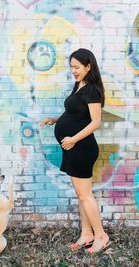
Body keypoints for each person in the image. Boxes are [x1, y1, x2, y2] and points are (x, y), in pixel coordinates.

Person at [40, 48, 110, 254]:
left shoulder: (93, 91)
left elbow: (96, 122)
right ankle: (86, 234)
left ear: (89, 66)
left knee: (85, 195)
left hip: (82, 148)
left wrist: (73, 139)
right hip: (73, 147)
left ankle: (101, 236)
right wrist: (55, 120)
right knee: (81, 195)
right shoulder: (79, 85)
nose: (74, 71)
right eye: (71, 67)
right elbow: (73, 112)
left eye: (77, 67)